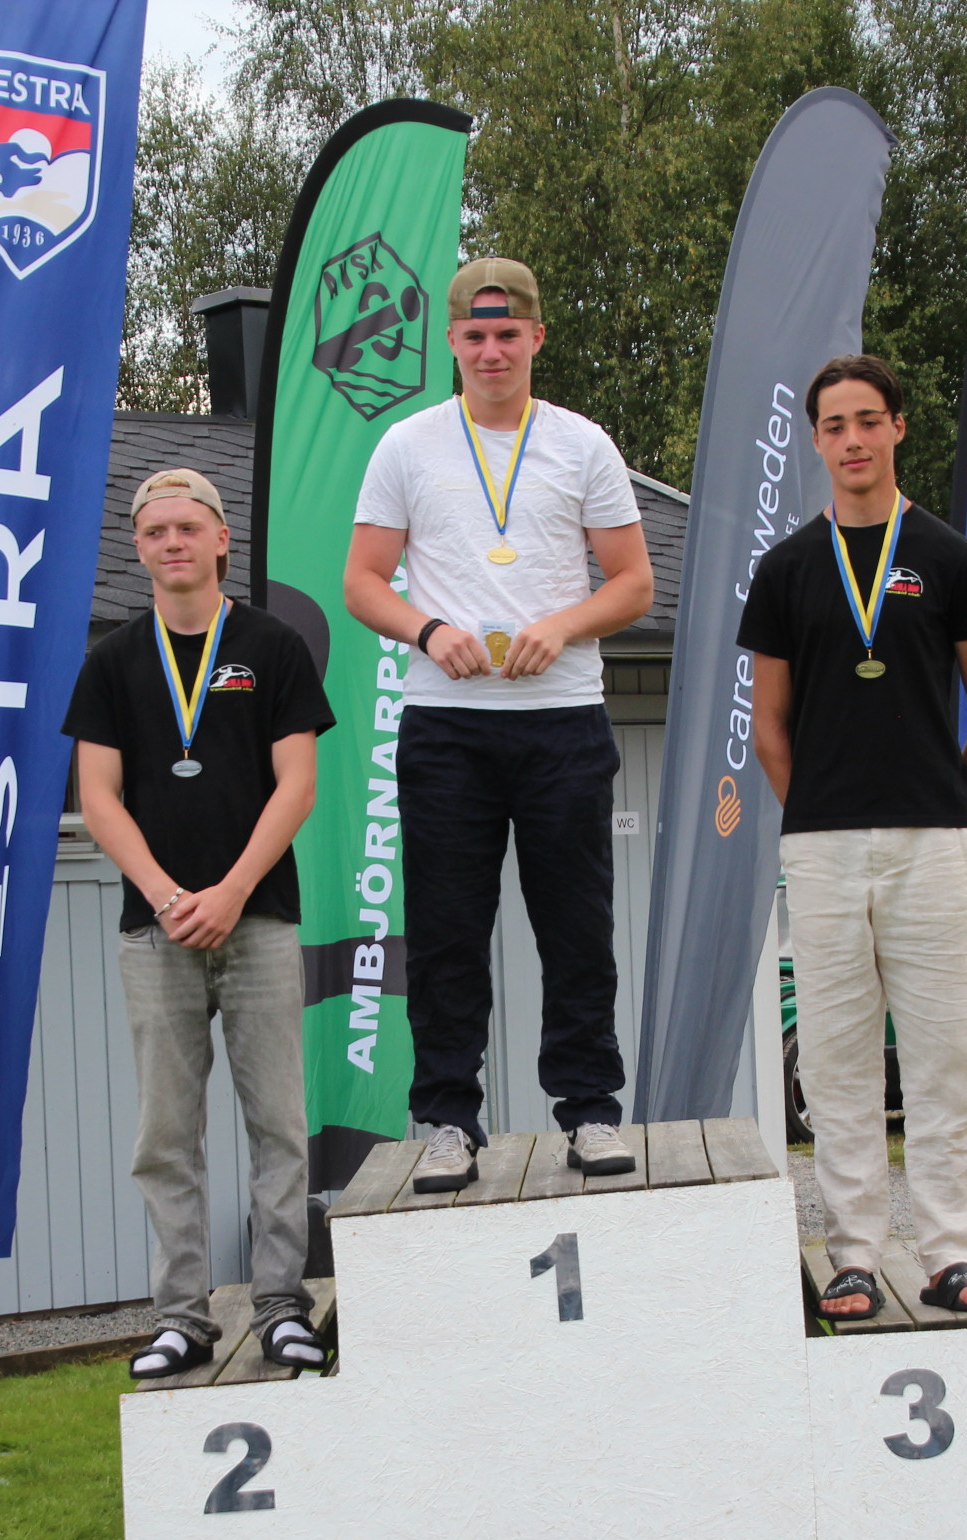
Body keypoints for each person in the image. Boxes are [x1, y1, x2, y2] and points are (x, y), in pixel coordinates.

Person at [343, 258, 655, 1193]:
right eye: (474, 336)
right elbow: (362, 582)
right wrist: (428, 630)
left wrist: (562, 626)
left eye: (507, 335)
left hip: (561, 720)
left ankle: (591, 1111)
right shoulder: (406, 445)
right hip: (447, 725)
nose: (491, 352)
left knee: (576, 927)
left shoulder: (583, 444)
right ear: (450, 341)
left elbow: (634, 583)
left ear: (536, 338)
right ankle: (448, 1120)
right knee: (446, 934)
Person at [738, 355, 967, 1318]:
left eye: (869, 420)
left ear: (898, 426)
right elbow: (769, 728)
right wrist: (818, 810)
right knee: (835, 1058)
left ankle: (951, 1255)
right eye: (835, 425)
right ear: (816, 441)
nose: (853, 440)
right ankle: (854, 1255)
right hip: (821, 849)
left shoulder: (947, 556)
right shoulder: (786, 569)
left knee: (945, 1053)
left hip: (930, 842)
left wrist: (946, 804)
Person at [65, 469, 336, 1378]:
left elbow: (297, 784)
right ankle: (181, 1317)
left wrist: (229, 892)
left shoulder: (271, 646)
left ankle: (281, 1307)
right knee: (165, 1135)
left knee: (279, 1125)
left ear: (222, 539)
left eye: (188, 527)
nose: (172, 543)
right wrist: (168, 894)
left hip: (257, 921)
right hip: (156, 932)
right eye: (155, 532)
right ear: (138, 547)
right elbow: (97, 798)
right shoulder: (112, 660)